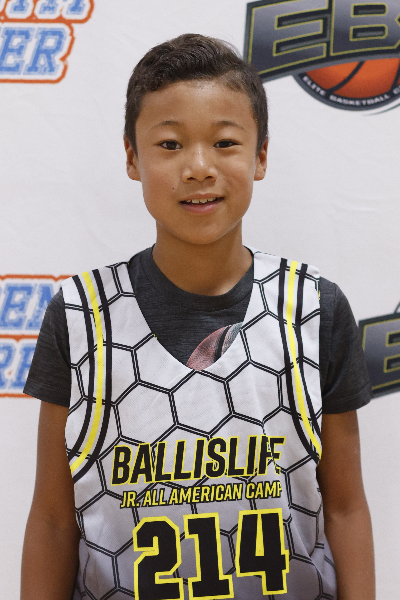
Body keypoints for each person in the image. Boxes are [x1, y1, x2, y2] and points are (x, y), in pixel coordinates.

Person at [21, 34, 375, 600]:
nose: (199, 167)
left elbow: (347, 507)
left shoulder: (314, 309)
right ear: (132, 157)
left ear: (260, 156)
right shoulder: (81, 315)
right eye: (170, 144)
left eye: (225, 142)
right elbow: (52, 520)